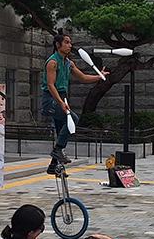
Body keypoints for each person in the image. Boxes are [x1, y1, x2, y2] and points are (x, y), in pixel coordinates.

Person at [40, 30, 107, 172]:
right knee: (73, 119)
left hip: (62, 96)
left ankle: (53, 165)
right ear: (58, 45)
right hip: (51, 98)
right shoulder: (52, 62)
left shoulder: (69, 63)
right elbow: (51, 85)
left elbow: (83, 77)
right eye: (66, 42)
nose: (70, 45)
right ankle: (58, 150)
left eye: (70, 43)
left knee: (61, 132)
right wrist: (61, 103)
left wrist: (99, 76)